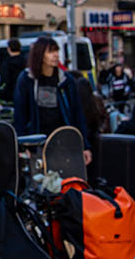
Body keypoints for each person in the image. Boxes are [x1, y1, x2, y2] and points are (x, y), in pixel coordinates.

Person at [13, 36, 92, 164]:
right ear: (40, 54)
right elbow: (20, 115)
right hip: (36, 143)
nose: (55, 55)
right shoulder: (27, 79)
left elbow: (77, 114)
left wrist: (84, 146)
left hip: (63, 142)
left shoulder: (66, 80)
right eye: (50, 51)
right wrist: (21, 144)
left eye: (56, 51)